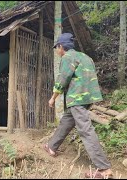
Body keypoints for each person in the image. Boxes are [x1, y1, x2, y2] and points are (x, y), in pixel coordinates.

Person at [44, 33, 113, 178]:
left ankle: (104, 169)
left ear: (61, 47)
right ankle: (51, 147)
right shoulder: (86, 57)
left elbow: (62, 80)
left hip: (77, 98)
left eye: (56, 48)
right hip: (87, 98)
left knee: (85, 130)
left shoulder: (67, 57)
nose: (57, 51)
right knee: (67, 121)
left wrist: (52, 98)